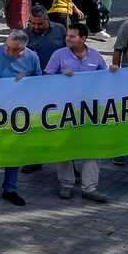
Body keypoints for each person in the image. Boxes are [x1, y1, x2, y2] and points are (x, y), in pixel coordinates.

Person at [45, 22, 115, 201]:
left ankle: (89, 187)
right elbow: (45, 80)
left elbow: (105, 79)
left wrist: (114, 72)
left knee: (92, 148)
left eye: (72, 36)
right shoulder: (58, 55)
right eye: (67, 35)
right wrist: (61, 77)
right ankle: (66, 184)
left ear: (83, 39)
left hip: (90, 111)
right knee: (65, 148)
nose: (68, 38)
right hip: (64, 111)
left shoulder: (96, 56)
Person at [0, 31, 42, 206]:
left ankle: (10, 189)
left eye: (12, 49)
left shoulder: (32, 58)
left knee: (14, 151)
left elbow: (40, 81)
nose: (6, 50)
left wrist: (27, 79)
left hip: (19, 112)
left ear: (22, 49)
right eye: (6, 45)